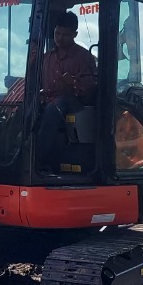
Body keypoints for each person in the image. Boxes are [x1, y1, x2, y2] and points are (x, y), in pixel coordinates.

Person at [38, 10, 97, 168]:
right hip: (47, 99)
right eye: (57, 33)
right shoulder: (46, 58)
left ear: (74, 34)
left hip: (73, 102)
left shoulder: (84, 57)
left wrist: (73, 83)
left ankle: (38, 160)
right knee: (22, 106)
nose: (59, 38)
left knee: (55, 107)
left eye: (65, 34)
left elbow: (90, 87)